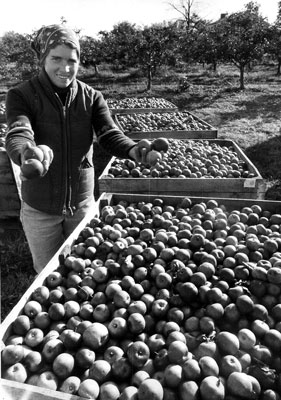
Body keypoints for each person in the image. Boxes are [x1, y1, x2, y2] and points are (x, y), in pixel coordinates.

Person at [5, 24, 146, 273]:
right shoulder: (22, 95)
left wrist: (133, 150)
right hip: (40, 208)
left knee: (84, 271)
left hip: (81, 204)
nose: (65, 68)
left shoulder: (91, 97)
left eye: (72, 60)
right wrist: (26, 151)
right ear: (42, 58)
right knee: (49, 275)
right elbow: (19, 130)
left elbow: (109, 133)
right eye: (56, 59)